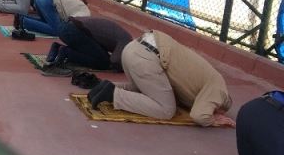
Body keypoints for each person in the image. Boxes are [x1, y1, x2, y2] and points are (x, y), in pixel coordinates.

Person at [87, 30, 234, 127]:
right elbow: (199, 116)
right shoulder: (219, 89)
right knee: (166, 110)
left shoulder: (204, 81)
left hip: (134, 49)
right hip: (146, 57)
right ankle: (113, 94)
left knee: (146, 92)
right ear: (221, 104)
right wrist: (213, 120)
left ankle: (106, 87)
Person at [45, 17, 132, 71]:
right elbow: (114, 61)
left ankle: (57, 48)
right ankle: (66, 52)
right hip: (73, 31)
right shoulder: (127, 41)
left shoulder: (124, 36)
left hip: (64, 26)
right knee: (104, 63)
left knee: (99, 53)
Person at [13, 0, 90, 40]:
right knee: (58, 31)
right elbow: (70, 24)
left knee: (48, 23)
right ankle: (23, 21)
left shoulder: (83, 11)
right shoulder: (85, 15)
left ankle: (21, 18)